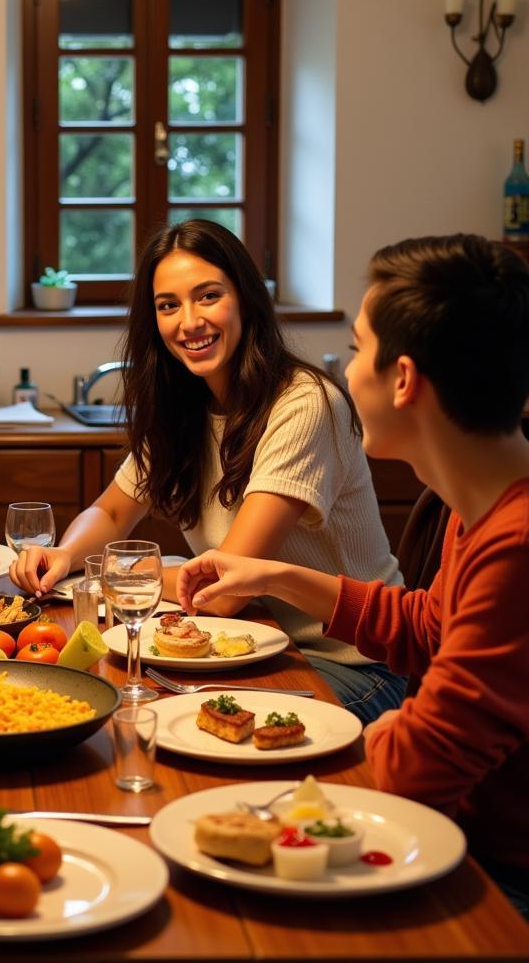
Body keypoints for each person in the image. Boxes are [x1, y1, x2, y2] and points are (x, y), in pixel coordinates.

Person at [177, 234, 529, 917]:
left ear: (403, 381)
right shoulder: (485, 504)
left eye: (359, 348)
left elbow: (422, 763)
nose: (346, 369)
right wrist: (276, 575)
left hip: (497, 876)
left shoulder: (517, 542)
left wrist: (349, 736)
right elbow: (428, 626)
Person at [9, 220, 405, 721]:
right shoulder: (186, 403)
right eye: (168, 305)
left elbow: (224, 592)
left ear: (244, 298)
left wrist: (113, 572)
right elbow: (110, 512)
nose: (188, 321)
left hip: (349, 665)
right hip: (257, 650)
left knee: (152, 719)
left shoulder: (303, 403)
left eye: (208, 296)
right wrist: (65, 554)